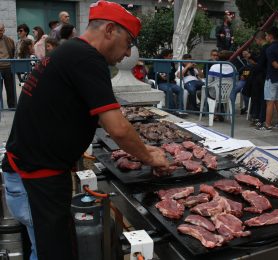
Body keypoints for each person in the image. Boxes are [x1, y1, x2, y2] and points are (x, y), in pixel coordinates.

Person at [1, 2, 169, 260]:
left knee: (43, 250)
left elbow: (93, 112)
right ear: (110, 30)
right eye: (128, 43)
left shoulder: (71, 51)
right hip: (35, 177)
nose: (127, 54)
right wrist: (149, 155)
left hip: (29, 173)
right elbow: (118, 129)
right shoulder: (88, 58)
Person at [243, 30, 270, 127]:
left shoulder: (265, 48)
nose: (256, 42)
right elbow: (260, 61)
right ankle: (258, 116)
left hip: (261, 76)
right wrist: (252, 57)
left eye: (256, 40)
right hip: (263, 75)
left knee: (259, 98)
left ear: (259, 39)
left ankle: (259, 117)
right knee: (259, 97)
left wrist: (254, 66)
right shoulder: (267, 48)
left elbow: (261, 64)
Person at [0, 23, 15, 108]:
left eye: (1, 30)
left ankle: (12, 106)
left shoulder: (9, 40)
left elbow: (13, 51)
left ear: (4, 30)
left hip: (8, 67)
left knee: (10, 89)